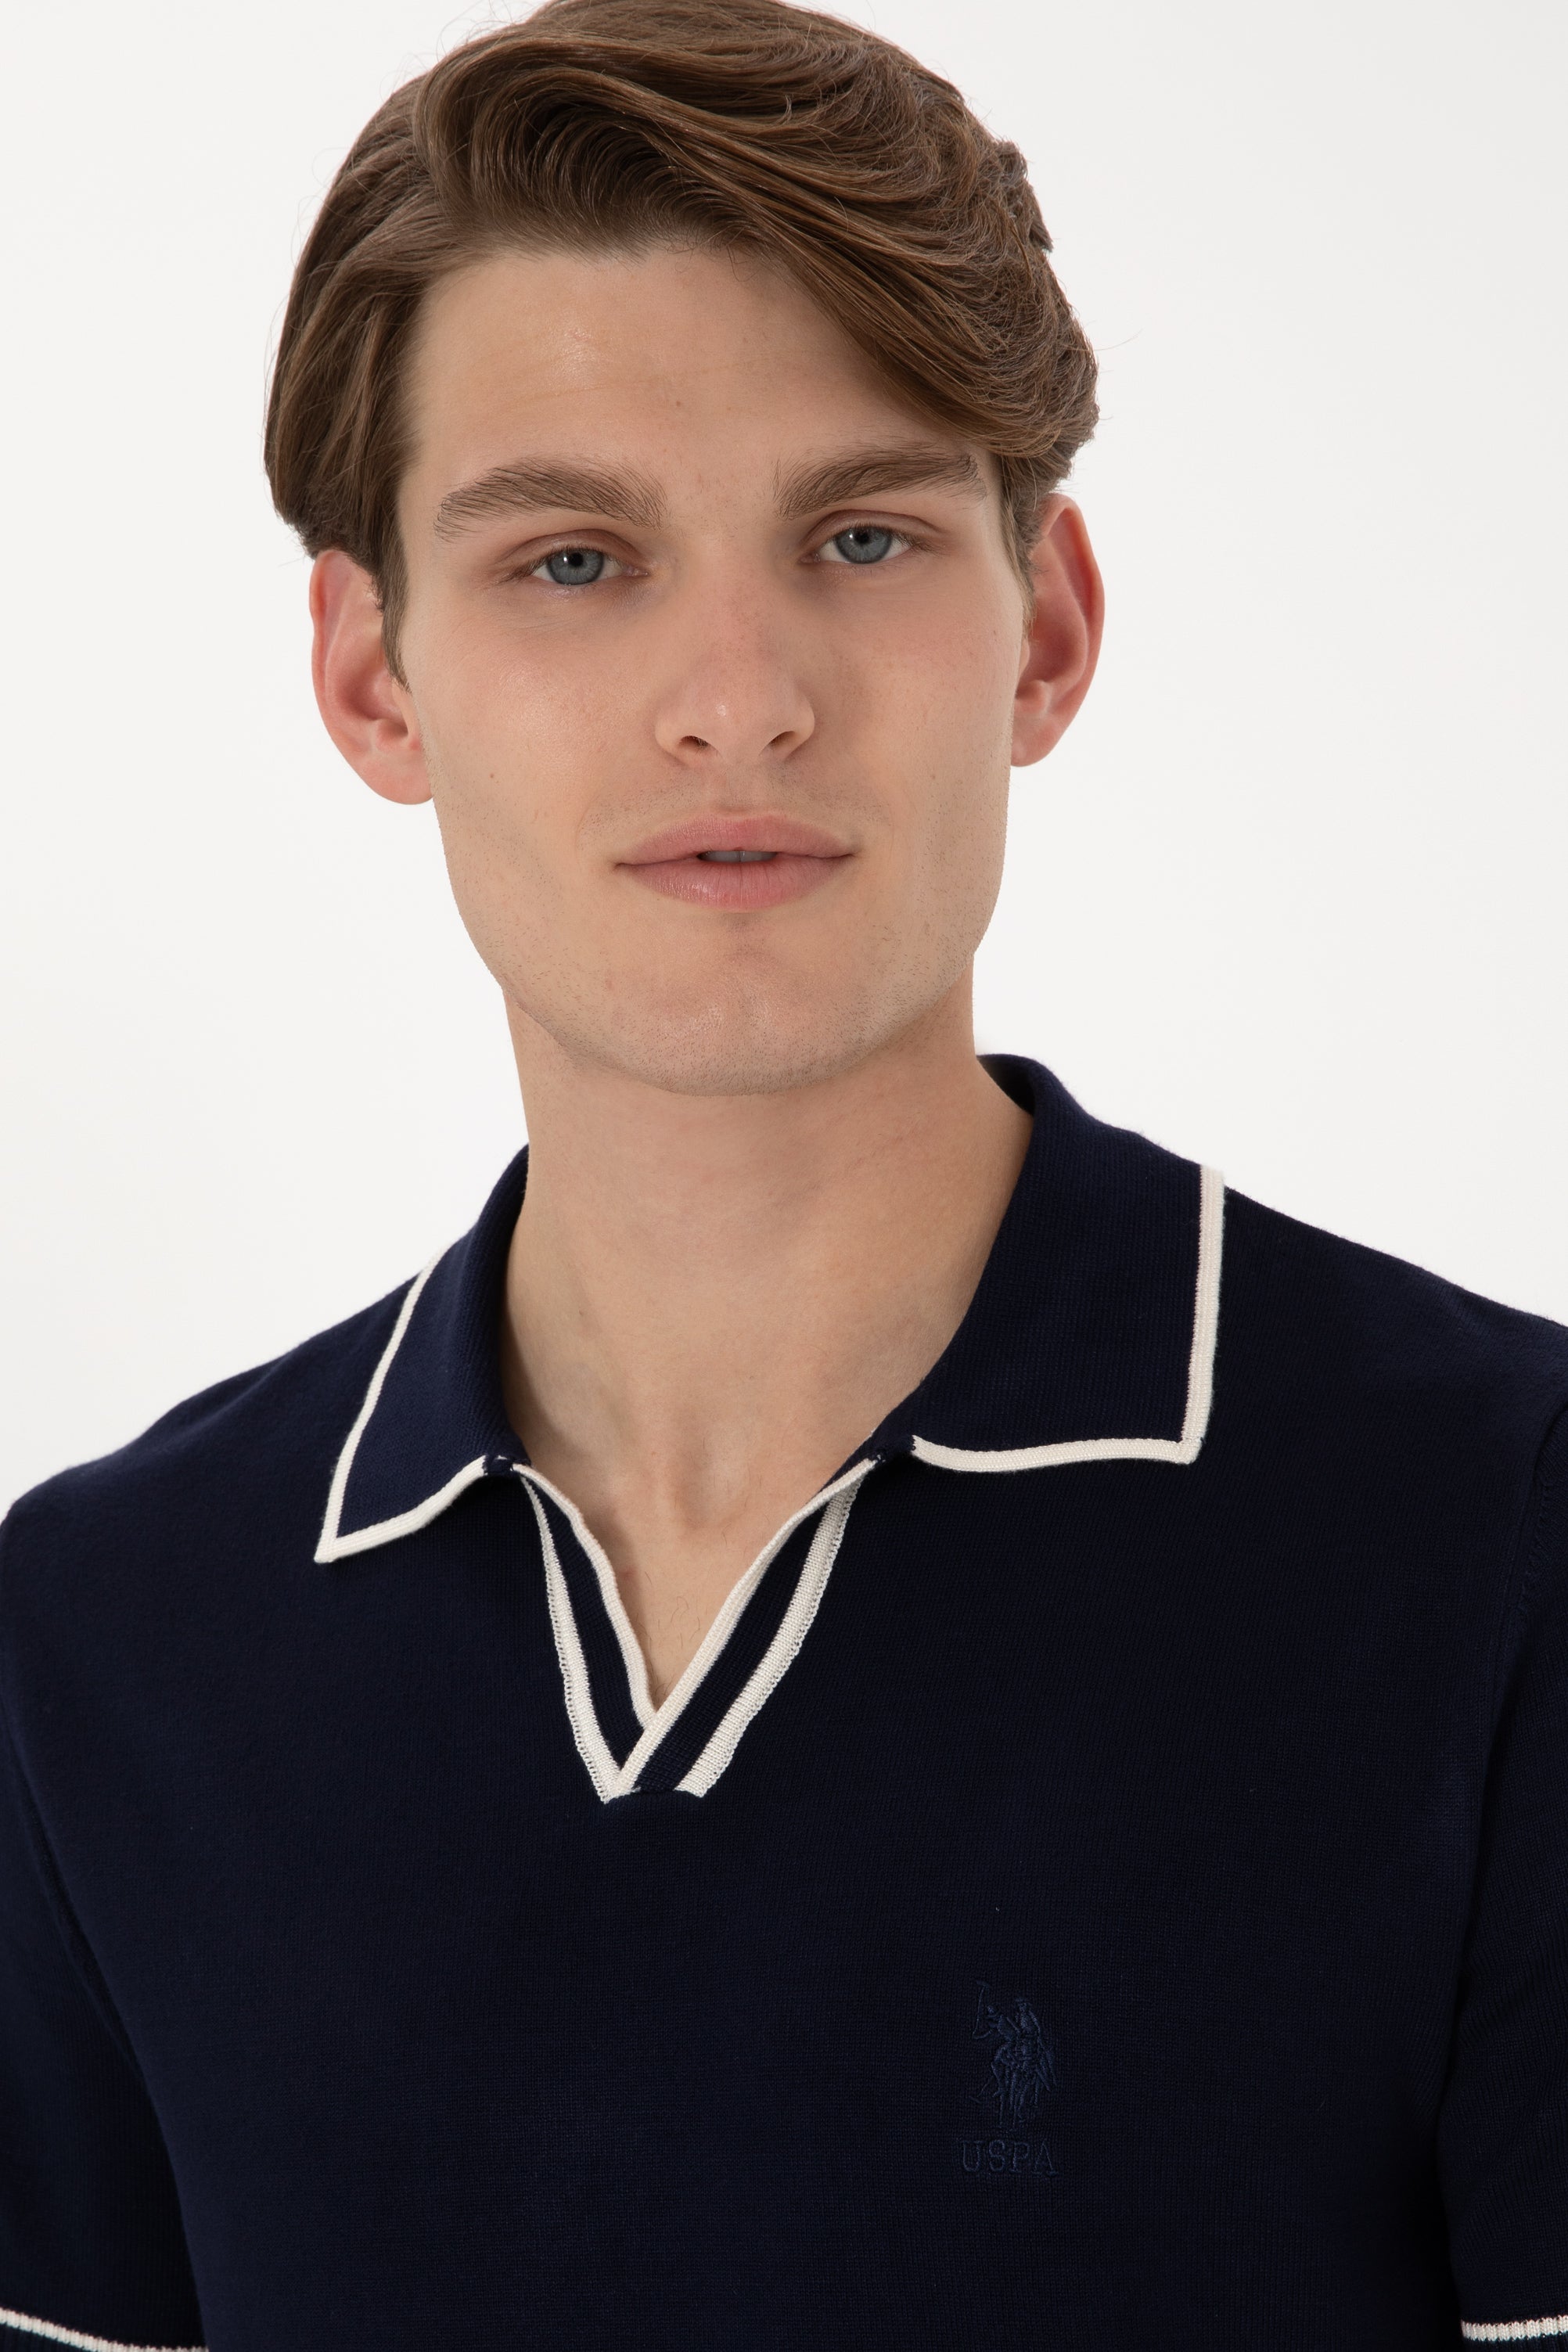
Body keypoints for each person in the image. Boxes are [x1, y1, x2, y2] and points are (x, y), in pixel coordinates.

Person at [2, 0, 1564, 2343]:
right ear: (371, 677)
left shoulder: (1504, 1540)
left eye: (859, 535)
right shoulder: (103, 1646)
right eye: (571, 561)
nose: (738, 694)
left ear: (1044, 631)